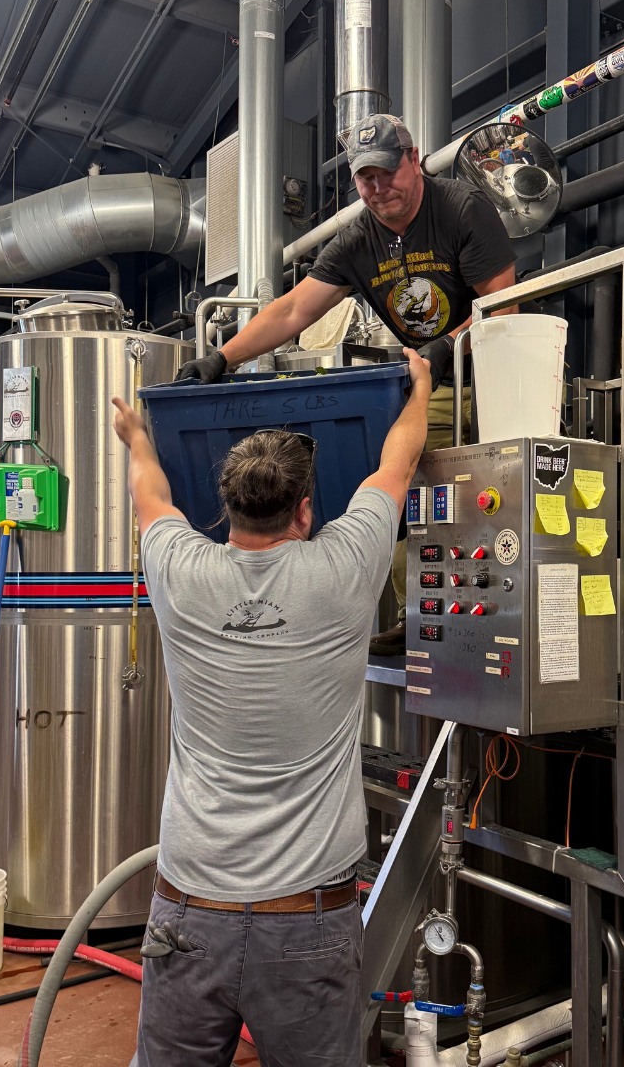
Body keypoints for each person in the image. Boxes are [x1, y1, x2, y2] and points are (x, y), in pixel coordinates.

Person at [112, 346, 432, 1067]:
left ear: (223, 511)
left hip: (189, 905)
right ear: (307, 509)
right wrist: (420, 388)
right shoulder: (343, 569)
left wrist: (137, 438)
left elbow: (151, 495)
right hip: (307, 920)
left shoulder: (179, 570)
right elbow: (397, 467)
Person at [177, 112, 517, 654]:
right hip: (426, 380)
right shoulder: (358, 238)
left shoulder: (460, 209)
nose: (379, 189)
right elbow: (292, 311)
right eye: (366, 178)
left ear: (413, 159)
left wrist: (450, 344)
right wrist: (223, 358)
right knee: (396, 489)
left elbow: (501, 307)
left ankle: (477, 621)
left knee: (464, 496)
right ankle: (424, 614)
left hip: (492, 377)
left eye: (387, 172)